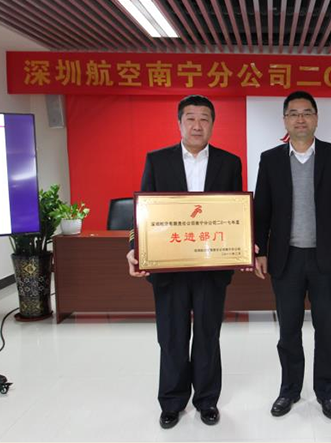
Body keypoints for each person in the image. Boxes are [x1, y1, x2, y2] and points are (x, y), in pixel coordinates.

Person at [126, 95, 242, 429]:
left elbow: (236, 212)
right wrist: (134, 247)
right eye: (190, 118)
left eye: (204, 118)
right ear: (179, 123)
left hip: (211, 266)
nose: (197, 125)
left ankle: (207, 400)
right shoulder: (157, 160)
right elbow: (143, 211)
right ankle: (172, 401)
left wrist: (242, 243)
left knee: (207, 334)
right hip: (169, 265)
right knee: (172, 336)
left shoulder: (229, 163)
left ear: (212, 124)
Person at [253, 91, 331, 419]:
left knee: (326, 329)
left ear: (316, 118)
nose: (300, 119)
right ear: (285, 120)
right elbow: (262, 209)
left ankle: (327, 392)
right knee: (288, 330)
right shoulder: (270, 159)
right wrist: (259, 250)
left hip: (325, 257)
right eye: (294, 113)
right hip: (285, 258)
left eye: (306, 112)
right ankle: (289, 390)